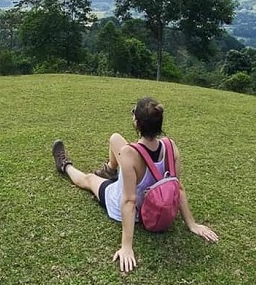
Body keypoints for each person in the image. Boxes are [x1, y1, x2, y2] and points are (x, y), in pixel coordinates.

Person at [51, 97, 218, 273]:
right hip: (155, 199)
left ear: (137, 124)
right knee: (115, 138)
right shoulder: (171, 146)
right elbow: (179, 187)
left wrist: (126, 246)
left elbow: (129, 201)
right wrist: (192, 224)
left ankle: (65, 165)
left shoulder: (129, 153)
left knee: (89, 180)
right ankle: (109, 169)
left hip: (134, 209)